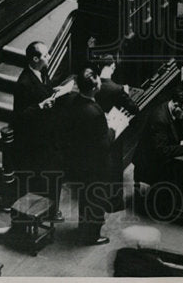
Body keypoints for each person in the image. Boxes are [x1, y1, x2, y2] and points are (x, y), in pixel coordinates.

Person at [12, 42, 67, 219]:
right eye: (46, 55)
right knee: (49, 176)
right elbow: (19, 116)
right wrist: (40, 106)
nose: (49, 57)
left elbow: (44, 90)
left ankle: (53, 208)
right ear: (35, 59)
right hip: (37, 140)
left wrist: (53, 91)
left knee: (56, 173)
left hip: (49, 134)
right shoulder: (23, 83)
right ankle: (49, 210)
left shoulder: (42, 71)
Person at [63, 71, 115, 245]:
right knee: (96, 200)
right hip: (96, 165)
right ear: (94, 88)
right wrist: (112, 130)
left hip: (79, 161)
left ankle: (84, 229)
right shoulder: (95, 112)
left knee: (86, 198)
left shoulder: (73, 101)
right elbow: (104, 143)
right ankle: (92, 235)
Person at [133, 90, 183, 221]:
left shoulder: (178, 110)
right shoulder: (159, 119)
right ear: (175, 104)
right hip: (149, 162)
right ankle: (178, 207)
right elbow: (161, 151)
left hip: (160, 152)